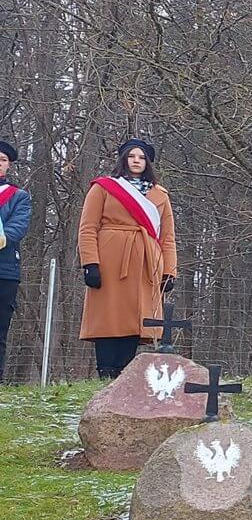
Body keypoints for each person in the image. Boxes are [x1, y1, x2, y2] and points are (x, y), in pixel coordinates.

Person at [77, 139, 178, 378]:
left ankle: (124, 374)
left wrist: (169, 271)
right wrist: (90, 263)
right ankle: (105, 372)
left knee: (135, 317)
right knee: (109, 316)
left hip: (145, 263)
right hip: (111, 259)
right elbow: (87, 227)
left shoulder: (160, 195)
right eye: (132, 156)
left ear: (148, 162)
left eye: (141, 157)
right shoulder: (103, 188)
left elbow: (168, 237)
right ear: (123, 159)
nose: (136, 160)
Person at [0, 141, 33, 379]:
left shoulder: (18, 197)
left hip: (4, 270)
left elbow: (16, 229)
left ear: (8, 165)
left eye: (2, 159)